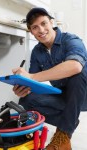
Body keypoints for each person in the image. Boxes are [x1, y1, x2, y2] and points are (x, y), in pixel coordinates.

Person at [12, 7, 87, 150]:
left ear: (51, 23)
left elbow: (75, 67)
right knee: (26, 101)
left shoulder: (71, 40)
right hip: (64, 98)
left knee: (77, 73)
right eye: (35, 27)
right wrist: (23, 87)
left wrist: (32, 76)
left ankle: (63, 135)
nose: (41, 30)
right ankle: (69, 122)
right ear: (31, 32)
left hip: (83, 95)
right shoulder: (37, 51)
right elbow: (32, 82)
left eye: (44, 23)